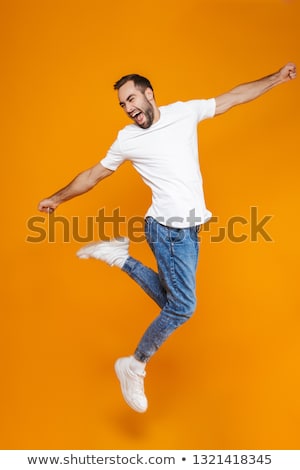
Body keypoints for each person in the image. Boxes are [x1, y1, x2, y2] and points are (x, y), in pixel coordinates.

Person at [38, 63, 296, 413]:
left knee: (176, 305)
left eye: (131, 99)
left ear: (149, 94)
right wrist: (56, 198)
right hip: (166, 230)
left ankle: (121, 258)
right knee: (184, 307)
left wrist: (277, 79)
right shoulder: (127, 139)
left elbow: (233, 97)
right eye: (122, 105)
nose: (129, 108)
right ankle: (135, 364)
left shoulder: (184, 113)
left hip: (190, 229)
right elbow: (92, 176)